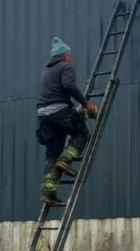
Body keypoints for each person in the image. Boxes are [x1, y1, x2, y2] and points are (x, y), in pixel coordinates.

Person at [36, 37, 99, 205]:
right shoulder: (66, 67)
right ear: (64, 54)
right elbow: (68, 86)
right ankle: (65, 160)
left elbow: (52, 96)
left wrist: (73, 109)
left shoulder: (46, 71)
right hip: (59, 112)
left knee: (52, 153)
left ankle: (48, 191)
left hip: (43, 116)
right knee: (81, 134)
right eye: (69, 53)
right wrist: (86, 104)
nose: (70, 56)